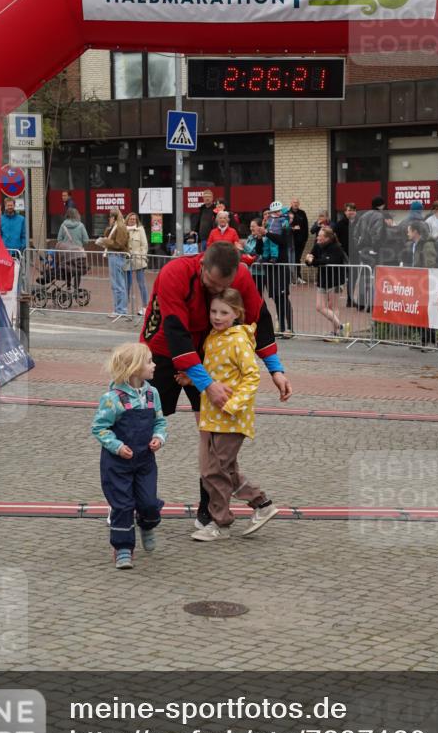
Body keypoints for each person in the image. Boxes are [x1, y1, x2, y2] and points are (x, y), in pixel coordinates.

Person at [140, 241, 292, 528]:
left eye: (223, 285)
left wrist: (276, 370)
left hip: (210, 351)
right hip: (161, 349)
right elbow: (175, 332)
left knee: (211, 433)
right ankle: (130, 502)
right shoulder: (175, 273)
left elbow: (260, 319)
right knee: (139, 423)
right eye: (210, 283)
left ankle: (208, 510)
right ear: (201, 267)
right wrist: (207, 384)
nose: (214, 289)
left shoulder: (242, 276)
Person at [176, 288, 278, 541]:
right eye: (213, 311)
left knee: (214, 470)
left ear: (237, 314)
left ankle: (220, 523)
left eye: (224, 312)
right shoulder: (213, 337)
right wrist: (192, 380)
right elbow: (215, 374)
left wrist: (234, 405)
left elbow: (252, 376)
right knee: (226, 470)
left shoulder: (238, 340)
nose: (217, 317)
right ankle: (262, 504)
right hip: (214, 417)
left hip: (232, 419)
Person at [91, 343, 167, 570]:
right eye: (149, 361)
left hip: (144, 460)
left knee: (149, 503)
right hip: (117, 463)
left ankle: (147, 524)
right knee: (122, 505)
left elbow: (160, 421)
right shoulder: (112, 398)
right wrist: (116, 446)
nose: (154, 365)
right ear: (134, 368)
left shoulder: (153, 394)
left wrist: (159, 437)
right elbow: (99, 428)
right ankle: (123, 548)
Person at [305, 226, 350, 341]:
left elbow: (328, 261)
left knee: (333, 306)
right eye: (318, 236)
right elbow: (311, 258)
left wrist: (313, 261)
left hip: (335, 281)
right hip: (323, 280)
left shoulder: (336, 248)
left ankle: (335, 333)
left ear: (327, 238)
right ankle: (342, 327)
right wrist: (308, 260)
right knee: (320, 306)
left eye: (320, 236)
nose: (318, 238)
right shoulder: (317, 245)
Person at [262, 201, 294, 337]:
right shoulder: (268, 223)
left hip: (281, 264)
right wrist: (260, 237)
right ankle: (281, 327)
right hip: (270, 265)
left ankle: (290, 328)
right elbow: (262, 246)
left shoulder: (285, 223)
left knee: (283, 297)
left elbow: (283, 241)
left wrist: (267, 234)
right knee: (275, 297)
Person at [96, 207, 129, 320]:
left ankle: (121, 309)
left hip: (116, 256)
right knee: (117, 284)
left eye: (110, 216)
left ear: (114, 217)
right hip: (114, 256)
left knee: (118, 285)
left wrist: (104, 241)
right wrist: (109, 227)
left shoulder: (120, 227)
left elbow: (119, 244)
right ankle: (118, 309)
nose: (108, 218)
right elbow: (108, 235)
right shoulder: (115, 227)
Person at [124, 212, 149, 315]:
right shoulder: (123, 230)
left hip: (138, 259)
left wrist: (141, 255)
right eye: (131, 219)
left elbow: (144, 245)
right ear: (127, 220)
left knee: (141, 284)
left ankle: (145, 306)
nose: (133, 220)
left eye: (134, 219)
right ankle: (125, 307)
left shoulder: (140, 229)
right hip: (127, 260)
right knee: (127, 285)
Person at [333, 203, 358, 305]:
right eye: (349, 210)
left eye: (353, 210)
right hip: (344, 253)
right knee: (342, 276)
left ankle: (350, 299)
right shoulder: (340, 224)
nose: (351, 212)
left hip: (356, 253)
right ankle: (334, 297)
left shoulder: (359, 223)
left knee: (353, 277)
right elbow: (333, 235)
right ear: (345, 212)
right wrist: (339, 246)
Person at [289, 198, 309, 283]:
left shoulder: (302, 213)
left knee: (298, 258)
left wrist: (305, 239)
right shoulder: (287, 213)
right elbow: (284, 226)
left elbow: (306, 226)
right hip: (290, 241)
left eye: (297, 202)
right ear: (291, 203)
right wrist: (293, 228)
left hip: (300, 241)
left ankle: (298, 277)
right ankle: (290, 278)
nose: (296, 204)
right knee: (290, 259)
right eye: (294, 202)